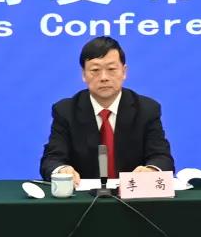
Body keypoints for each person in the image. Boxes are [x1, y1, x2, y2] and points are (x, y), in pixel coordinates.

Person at [40, 37, 174, 183]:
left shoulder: (147, 109)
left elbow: (162, 157)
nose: (104, 77)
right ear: (84, 74)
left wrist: (152, 170)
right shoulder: (66, 111)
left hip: (132, 193)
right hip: (83, 195)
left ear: (124, 72)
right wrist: (62, 169)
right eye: (95, 70)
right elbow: (52, 159)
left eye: (111, 69)